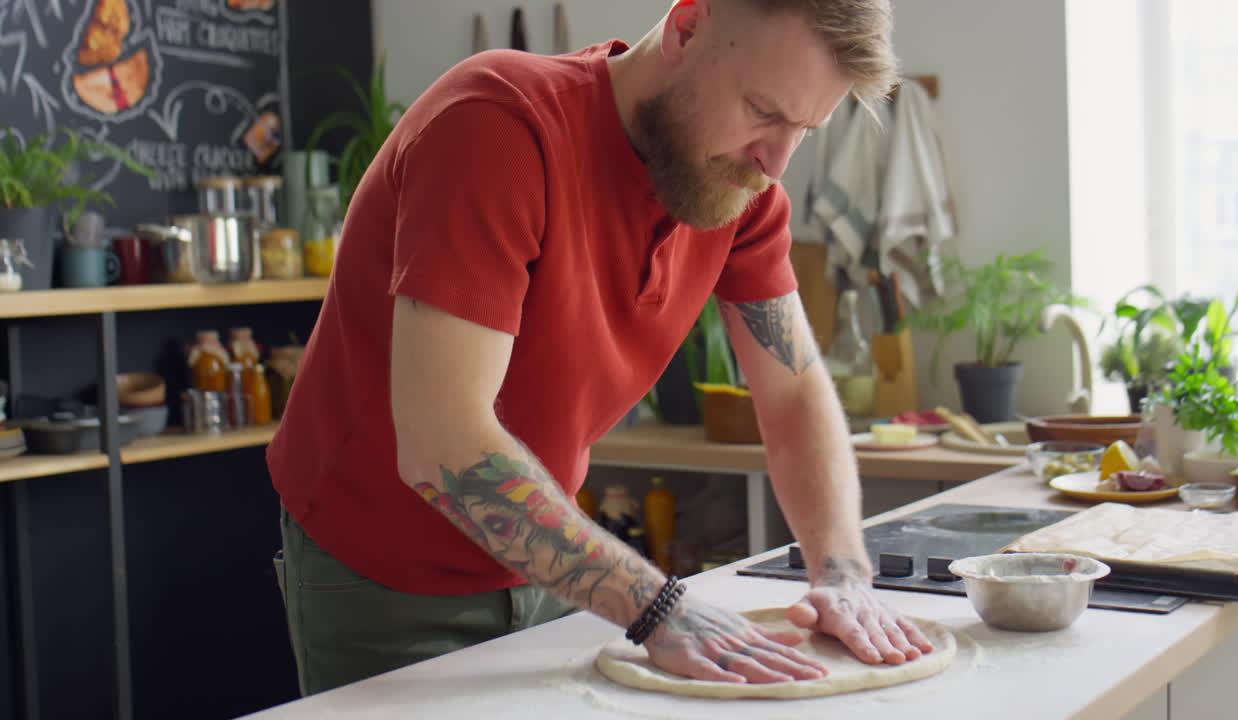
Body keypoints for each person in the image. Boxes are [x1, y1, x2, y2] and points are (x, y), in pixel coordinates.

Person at [267, 0, 934, 696]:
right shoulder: (496, 126)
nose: (776, 161)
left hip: (548, 565)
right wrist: (656, 606)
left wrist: (842, 574)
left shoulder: (739, 184)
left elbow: (792, 391)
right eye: (764, 110)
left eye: (806, 128)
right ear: (687, 27)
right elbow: (444, 444)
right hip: (382, 576)